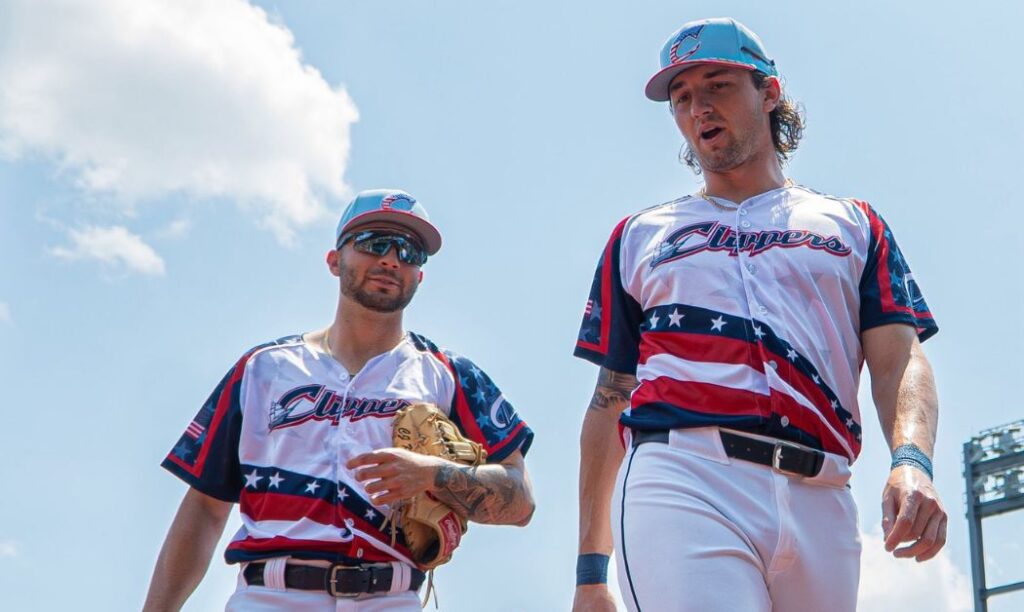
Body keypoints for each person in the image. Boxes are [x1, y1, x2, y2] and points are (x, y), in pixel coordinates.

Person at [571, 17, 945, 612]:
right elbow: (610, 396)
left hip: (823, 491)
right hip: (686, 476)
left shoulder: (852, 224)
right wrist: (591, 573)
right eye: (682, 97)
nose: (698, 108)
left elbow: (900, 358)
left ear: (769, 91)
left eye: (717, 85)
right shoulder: (637, 236)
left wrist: (912, 462)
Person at [144, 189, 535, 611]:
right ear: (334, 261)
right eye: (373, 242)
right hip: (270, 595)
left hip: (390, 597)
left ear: (419, 277)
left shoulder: (449, 375)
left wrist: (434, 475)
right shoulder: (263, 368)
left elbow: (522, 504)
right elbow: (205, 506)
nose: (391, 259)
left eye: (409, 251)